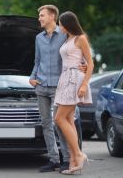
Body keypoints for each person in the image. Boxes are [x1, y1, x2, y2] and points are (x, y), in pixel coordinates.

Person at [29, 5, 85, 173]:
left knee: (60, 123)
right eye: (39, 15)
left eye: (42, 15)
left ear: (52, 16)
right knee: (46, 123)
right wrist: (32, 77)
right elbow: (37, 61)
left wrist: (83, 66)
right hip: (41, 85)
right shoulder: (38, 38)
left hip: (60, 86)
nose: (39, 18)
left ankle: (67, 159)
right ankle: (53, 159)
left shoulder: (65, 35)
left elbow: (77, 53)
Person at [54, 11, 93, 175]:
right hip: (64, 79)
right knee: (68, 119)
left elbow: (90, 64)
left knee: (59, 118)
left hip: (75, 80)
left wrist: (84, 84)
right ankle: (74, 160)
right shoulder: (67, 39)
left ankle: (79, 154)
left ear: (68, 24)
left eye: (61, 23)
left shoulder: (80, 38)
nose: (59, 26)